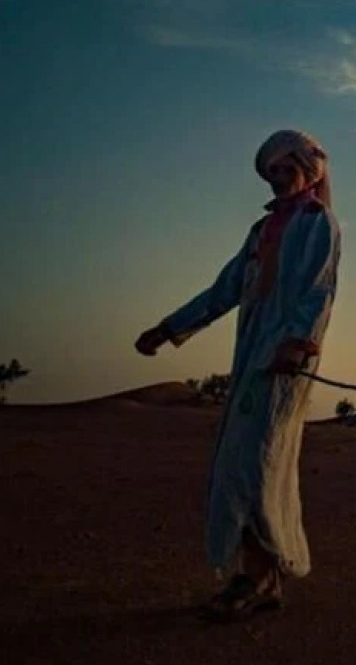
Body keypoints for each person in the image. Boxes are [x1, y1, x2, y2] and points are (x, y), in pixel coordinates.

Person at [133, 129, 341, 622]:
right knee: (242, 465)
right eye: (271, 172)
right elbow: (225, 289)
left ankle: (258, 578)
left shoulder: (318, 223)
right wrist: (169, 328)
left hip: (285, 359)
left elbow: (320, 289)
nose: (277, 179)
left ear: (306, 171)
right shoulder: (262, 230)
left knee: (256, 465)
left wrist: (298, 341)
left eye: (285, 170)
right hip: (251, 354)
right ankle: (261, 577)